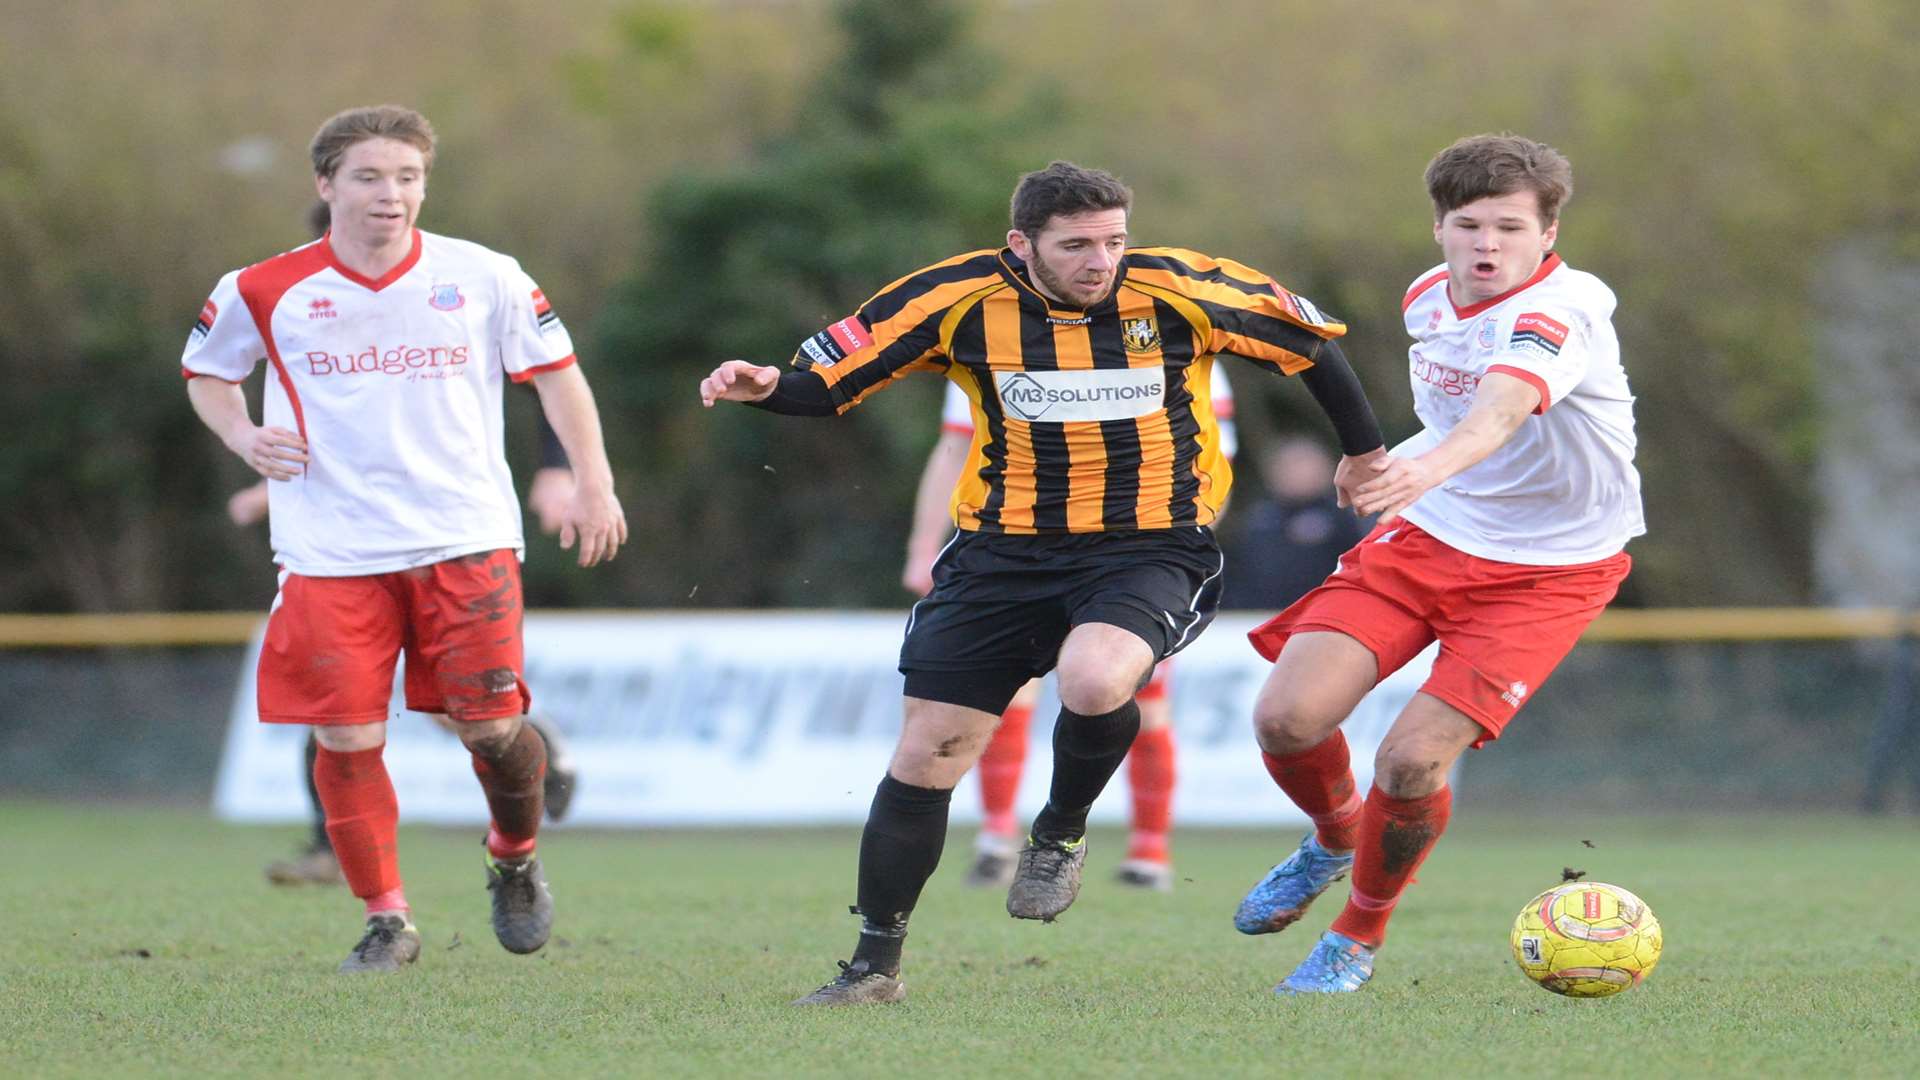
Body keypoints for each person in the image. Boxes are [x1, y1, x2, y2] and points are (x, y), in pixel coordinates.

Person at [700, 160, 1385, 1005]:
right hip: (1001, 553)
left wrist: (1363, 451)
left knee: (1095, 678)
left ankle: (1058, 832)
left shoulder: (1185, 290)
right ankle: (873, 968)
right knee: (929, 751)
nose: (1100, 261)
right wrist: (767, 388)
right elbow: (829, 383)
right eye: (1076, 246)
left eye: (1113, 241)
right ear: (1021, 244)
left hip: (1151, 544)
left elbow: (1310, 347)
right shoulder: (951, 300)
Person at [181, 105, 627, 973]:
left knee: (492, 729)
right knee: (346, 738)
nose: (392, 195)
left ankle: (514, 857)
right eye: (370, 177)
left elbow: (560, 378)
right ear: (326, 185)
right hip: (329, 551)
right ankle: (387, 920)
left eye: (408, 178)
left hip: (465, 538)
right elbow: (206, 373)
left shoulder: (485, 274)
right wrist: (243, 438)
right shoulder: (260, 287)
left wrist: (594, 483)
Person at [1232, 133, 1643, 994]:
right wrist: (1377, 459)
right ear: (1439, 229)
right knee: (1286, 720)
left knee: (1412, 762)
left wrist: (1416, 471)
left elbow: (1498, 413)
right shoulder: (1427, 298)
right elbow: (1448, 414)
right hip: (1432, 535)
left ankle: (1356, 937)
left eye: (1508, 226)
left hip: (1550, 570)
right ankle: (1336, 837)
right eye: (1468, 226)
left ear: (1547, 231)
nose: (1486, 245)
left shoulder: (1562, 310)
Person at [234, 203, 583, 888]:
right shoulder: (302, 301)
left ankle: (538, 756)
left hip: (449, 537)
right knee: (336, 715)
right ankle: (334, 854)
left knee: (468, 713)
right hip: (338, 550)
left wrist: (558, 467)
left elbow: (551, 375)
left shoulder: (455, 286)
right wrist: (261, 470)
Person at [904, 373, 1240, 892]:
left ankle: (1148, 851)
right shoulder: (984, 333)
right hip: (1018, 553)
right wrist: (923, 547)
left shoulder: (1171, 331)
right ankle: (997, 838)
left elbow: (1211, 461)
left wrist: (1174, 562)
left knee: (1135, 697)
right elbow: (955, 446)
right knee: (1004, 692)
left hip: (1133, 559)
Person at [1219, 436, 1367, 611]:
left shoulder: (1344, 517)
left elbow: (1359, 569)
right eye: (1288, 466)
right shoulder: (1260, 517)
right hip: (1254, 618)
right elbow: (1237, 570)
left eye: (1302, 465)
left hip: (1322, 617)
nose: (1294, 473)